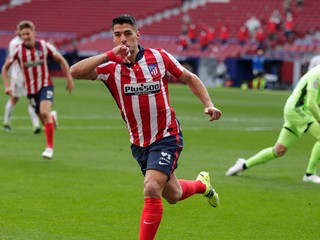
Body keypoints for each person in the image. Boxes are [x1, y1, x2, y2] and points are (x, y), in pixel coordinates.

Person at [70, 14, 222, 240]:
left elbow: (190, 77)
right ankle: (202, 185)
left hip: (166, 135)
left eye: (128, 33)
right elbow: (74, 72)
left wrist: (208, 104)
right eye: (117, 35)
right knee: (173, 194)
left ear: (137, 35)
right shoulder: (110, 67)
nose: (123, 39)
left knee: (151, 188)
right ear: (113, 39)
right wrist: (107, 56)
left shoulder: (159, 57)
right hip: (139, 142)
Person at [226, 64, 320, 184]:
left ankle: (242, 165)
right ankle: (310, 174)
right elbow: (311, 103)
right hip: (297, 110)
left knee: (278, 150)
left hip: (298, 111)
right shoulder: (316, 74)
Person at [1, 20, 74, 159]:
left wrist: (69, 78)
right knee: (44, 118)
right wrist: (7, 85)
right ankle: (52, 117)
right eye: (23, 35)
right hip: (30, 90)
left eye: (27, 33)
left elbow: (61, 60)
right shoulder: (18, 50)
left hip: (45, 85)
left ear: (33, 33)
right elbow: (5, 68)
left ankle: (49, 148)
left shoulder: (44, 46)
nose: (25, 37)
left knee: (43, 112)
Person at [3, 24, 40, 133]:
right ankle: (6, 122)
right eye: (21, 31)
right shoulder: (15, 43)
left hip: (30, 77)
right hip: (18, 76)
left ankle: (36, 125)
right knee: (14, 99)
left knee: (32, 100)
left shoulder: (33, 42)